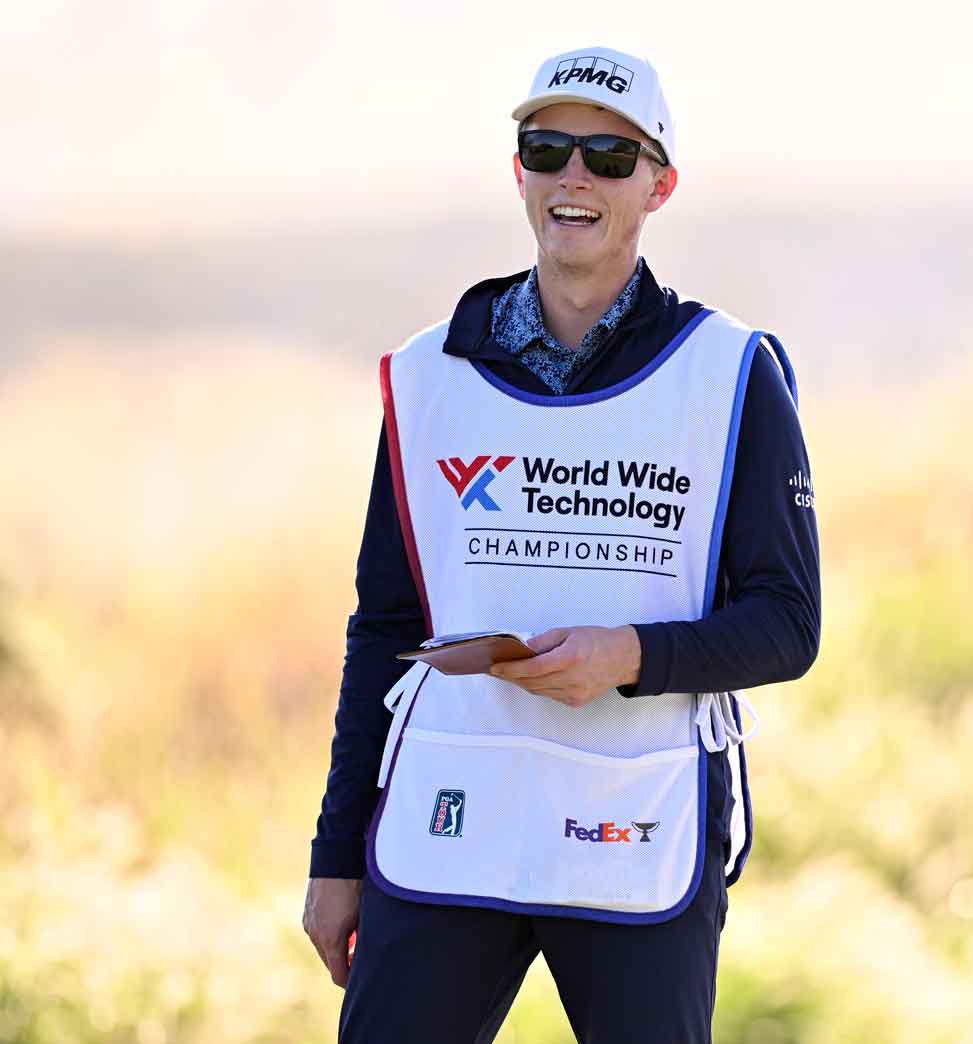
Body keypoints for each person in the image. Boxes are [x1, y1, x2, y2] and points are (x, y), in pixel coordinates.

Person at [300, 45, 820, 1043]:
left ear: (659, 184)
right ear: (519, 171)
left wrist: (626, 656)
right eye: (547, 148)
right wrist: (335, 858)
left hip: (635, 817)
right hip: (448, 814)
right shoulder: (425, 378)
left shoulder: (730, 371)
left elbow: (787, 626)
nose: (572, 176)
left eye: (608, 157)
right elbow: (387, 626)